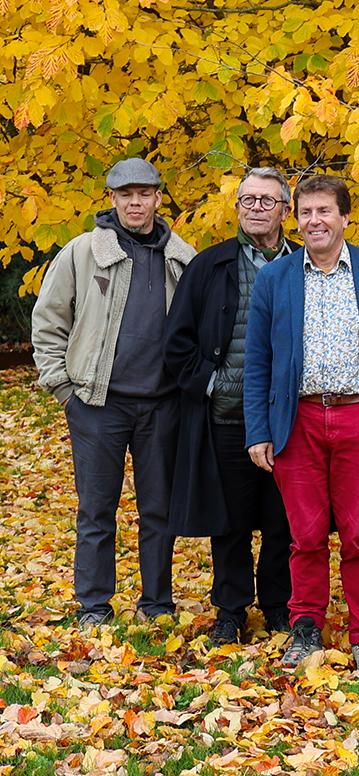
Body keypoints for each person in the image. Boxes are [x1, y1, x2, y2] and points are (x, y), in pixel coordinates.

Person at [242, 175, 359, 670]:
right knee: (305, 535)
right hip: (299, 420)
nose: (314, 221)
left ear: (344, 217)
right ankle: (307, 626)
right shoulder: (277, 278)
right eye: (306, 212)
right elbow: (258, 360)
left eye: (324, 212)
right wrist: (260, 430)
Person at [32, 157, 197, 625]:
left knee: (159, 511)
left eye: (144, 194)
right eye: (126, 195)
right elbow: (48, 321)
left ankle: (157, 603)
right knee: (97, 510)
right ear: (112, 199)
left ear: (158, 198)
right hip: (97, 403)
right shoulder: (83, 252)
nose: (135, 202)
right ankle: (93, 606)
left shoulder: (180, 258)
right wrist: (64, 389)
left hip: (162, 406)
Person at [163, 167, 295, 645]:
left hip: (287, 420)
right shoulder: (210, 265)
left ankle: (280, 605)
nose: (256, 208)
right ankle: (231, 610)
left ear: (286, 210)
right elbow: (176, 343)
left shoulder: (303, 265)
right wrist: (214, 384)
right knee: (231, 521)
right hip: (227, 416)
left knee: (283, 520)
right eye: (248, 200)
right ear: (237, 207)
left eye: (267, 200)